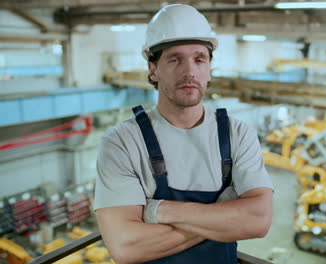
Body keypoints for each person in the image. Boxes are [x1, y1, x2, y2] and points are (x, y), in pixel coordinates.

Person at [94, 4, 273, 264]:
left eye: (199, 59)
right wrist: (224, 216)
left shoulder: (238, 134)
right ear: (153, 69)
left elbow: (259, 220)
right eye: (175, 59)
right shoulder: (121, 143)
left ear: (209, 67)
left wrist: (160, 210)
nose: (189, 71)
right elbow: (126, 246)